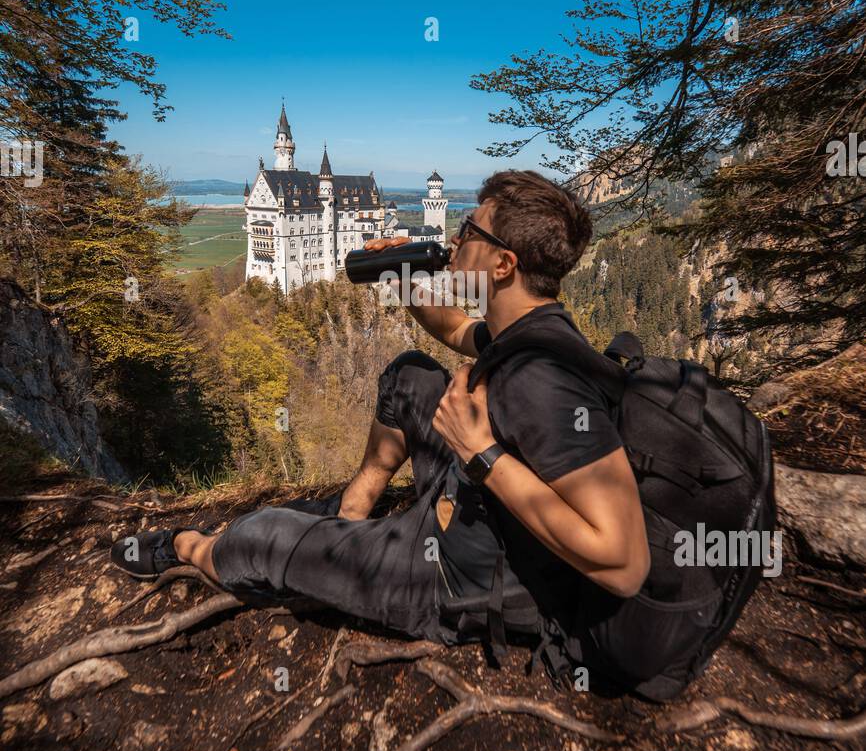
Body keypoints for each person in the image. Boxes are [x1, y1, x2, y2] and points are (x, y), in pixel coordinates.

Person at [111, 169, 650, 681]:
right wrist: (402, 274)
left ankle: (185, 547)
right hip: (474, 509)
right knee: (410, 375)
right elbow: (458, 329)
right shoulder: (530, 328)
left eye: (469, 231)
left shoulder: (547, 383)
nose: (455, 240)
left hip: (459, 576)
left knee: (261, 537)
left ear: (504, 264)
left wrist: (481, 451)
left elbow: (624, 561)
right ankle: (353, 510)